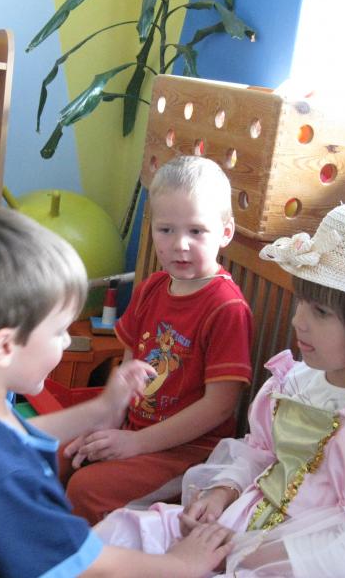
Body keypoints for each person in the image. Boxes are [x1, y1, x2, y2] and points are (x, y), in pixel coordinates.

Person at [94, 203, 345, 577]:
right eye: (302, 302)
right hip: (238, 525)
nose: (298, 320)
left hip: (292, 560)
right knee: (123, 531)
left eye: (321, 312)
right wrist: (223, 492)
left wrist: (237, 552)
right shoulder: (296, 381)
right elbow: (260, 454)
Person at [0, 204, 234, 578]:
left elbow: (16, 433)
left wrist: (100, 409)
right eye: (59, 331)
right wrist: (180, 564)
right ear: (4, 347)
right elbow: (87, 566)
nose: (68, 340)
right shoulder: (3, 475)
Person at [62, 156, 254, 525]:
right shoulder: (152, 287)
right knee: (61, 452)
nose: (180, 244)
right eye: (166, 229)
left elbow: (219, 407)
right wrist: (111, 418)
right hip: (135, 429)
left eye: (196, 231)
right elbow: (129, 364)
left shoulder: (226, 308)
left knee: (87, 489)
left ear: (225, 233)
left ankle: (89, 553)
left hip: (188, 453)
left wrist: (134, 444)